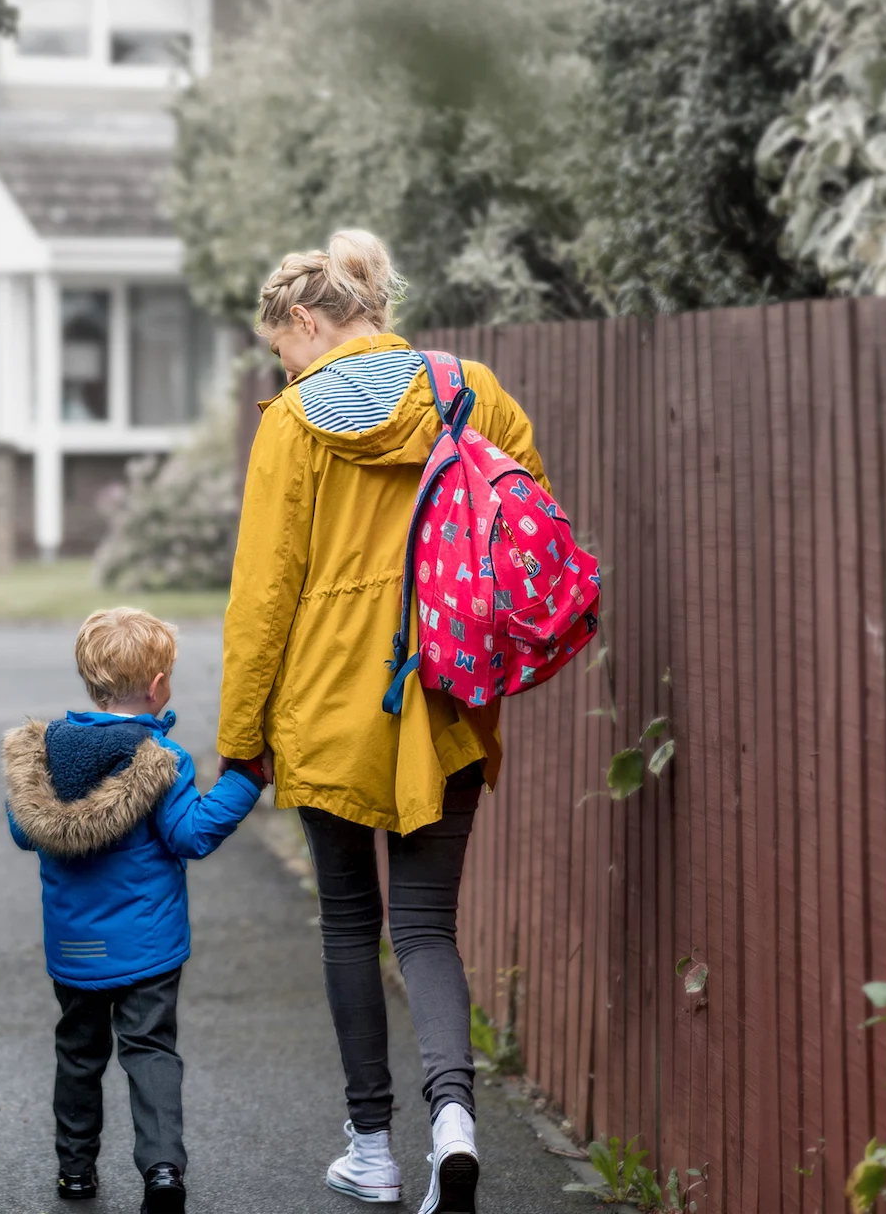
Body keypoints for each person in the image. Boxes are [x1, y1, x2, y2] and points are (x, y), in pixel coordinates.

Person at [217, 230, 551, 1214]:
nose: (288, 366)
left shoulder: (292, 422)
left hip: (328, 707)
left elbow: (263, 597)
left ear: (309, 322)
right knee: (426, 927)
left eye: (285, 349)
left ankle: (373, 1148)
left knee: (351, 924)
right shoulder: (471, 389)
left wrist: (242, 737)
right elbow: (523, 525)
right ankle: (456, 1121)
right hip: (446, 690)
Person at [4, 608, 265, 1214]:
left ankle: (75, 1173)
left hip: (73, 952)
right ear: (156, 686)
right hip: (147, 948)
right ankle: (164, 1173)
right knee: (149, 1051)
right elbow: (191, 835)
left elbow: (24, 832)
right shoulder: (161, 760)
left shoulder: (45, 756)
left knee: (78, 1054)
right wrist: (245, 782)